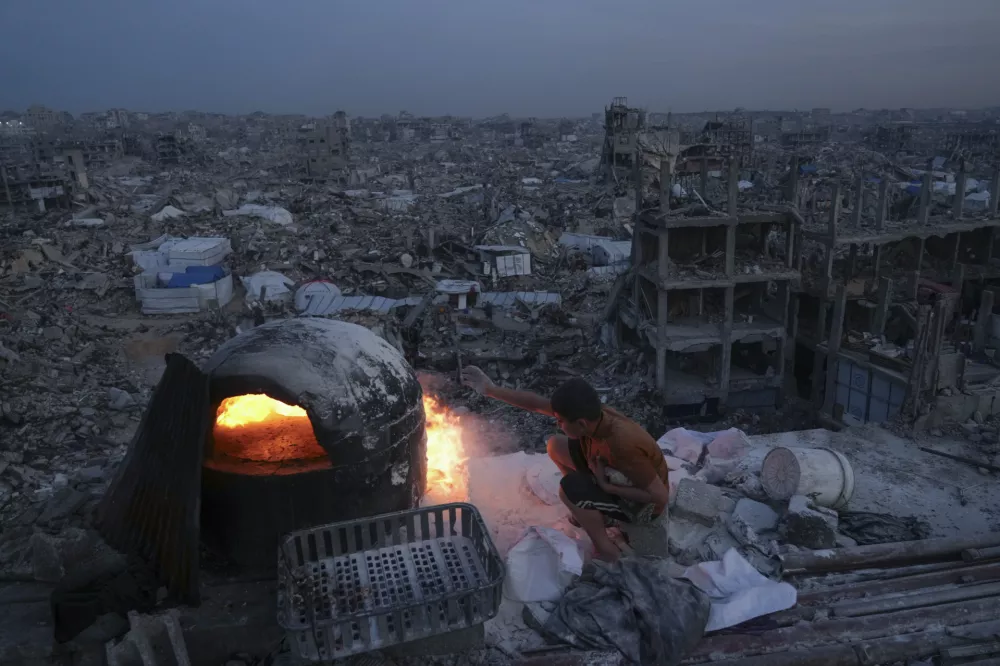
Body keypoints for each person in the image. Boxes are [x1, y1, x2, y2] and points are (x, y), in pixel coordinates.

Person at [461, 366, 669, 562]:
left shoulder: (622, 445)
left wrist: (607, 487)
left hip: (643, 507)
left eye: (560, 421)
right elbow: (535, 403)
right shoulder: (594, 417)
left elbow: (659, 496)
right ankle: (594, 509)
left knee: (570, 490)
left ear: (580, 424)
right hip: (610, 471)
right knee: (556, 445)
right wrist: (490, 389)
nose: (557, 423)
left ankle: (608, 549)